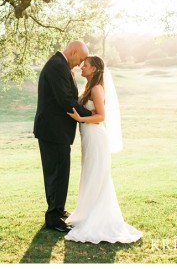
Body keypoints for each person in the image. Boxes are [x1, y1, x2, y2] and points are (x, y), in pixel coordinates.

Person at [64, 56, 142, 244]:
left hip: (96, 137)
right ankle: (86, 213)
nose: (82, 67)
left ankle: (96, 219)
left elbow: (100, 116)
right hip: (88, 138)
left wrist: (80, 119)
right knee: (90, 174)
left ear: (95, 69)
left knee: (97, 175)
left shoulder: (97, 89)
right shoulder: (89, 87)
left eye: (86, 65)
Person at [34, 41, 93, 233]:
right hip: (54, 131)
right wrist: (91, 116)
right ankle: (54, 218)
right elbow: (65, 101)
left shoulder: (60, 65)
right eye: (81, 59)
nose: (80, 63)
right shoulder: (57, 66)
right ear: (73, 51)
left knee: (56, 173)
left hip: (54, 131)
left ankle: (57, 210)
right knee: (58, 174)